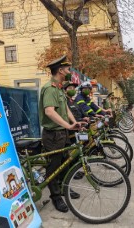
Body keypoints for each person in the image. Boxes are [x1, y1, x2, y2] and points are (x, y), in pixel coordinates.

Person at [39, 55, 82, 213]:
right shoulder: (50, 88)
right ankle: (56, 197)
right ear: (60, 70)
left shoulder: (59, 88)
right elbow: (49, 112)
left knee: (65, 164)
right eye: (68, 69)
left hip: (62, 133)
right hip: (53, 135)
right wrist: (68, 126)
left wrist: (73, 123)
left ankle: (64, 189)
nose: (69, 71)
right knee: (54, 167)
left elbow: (66, 109)